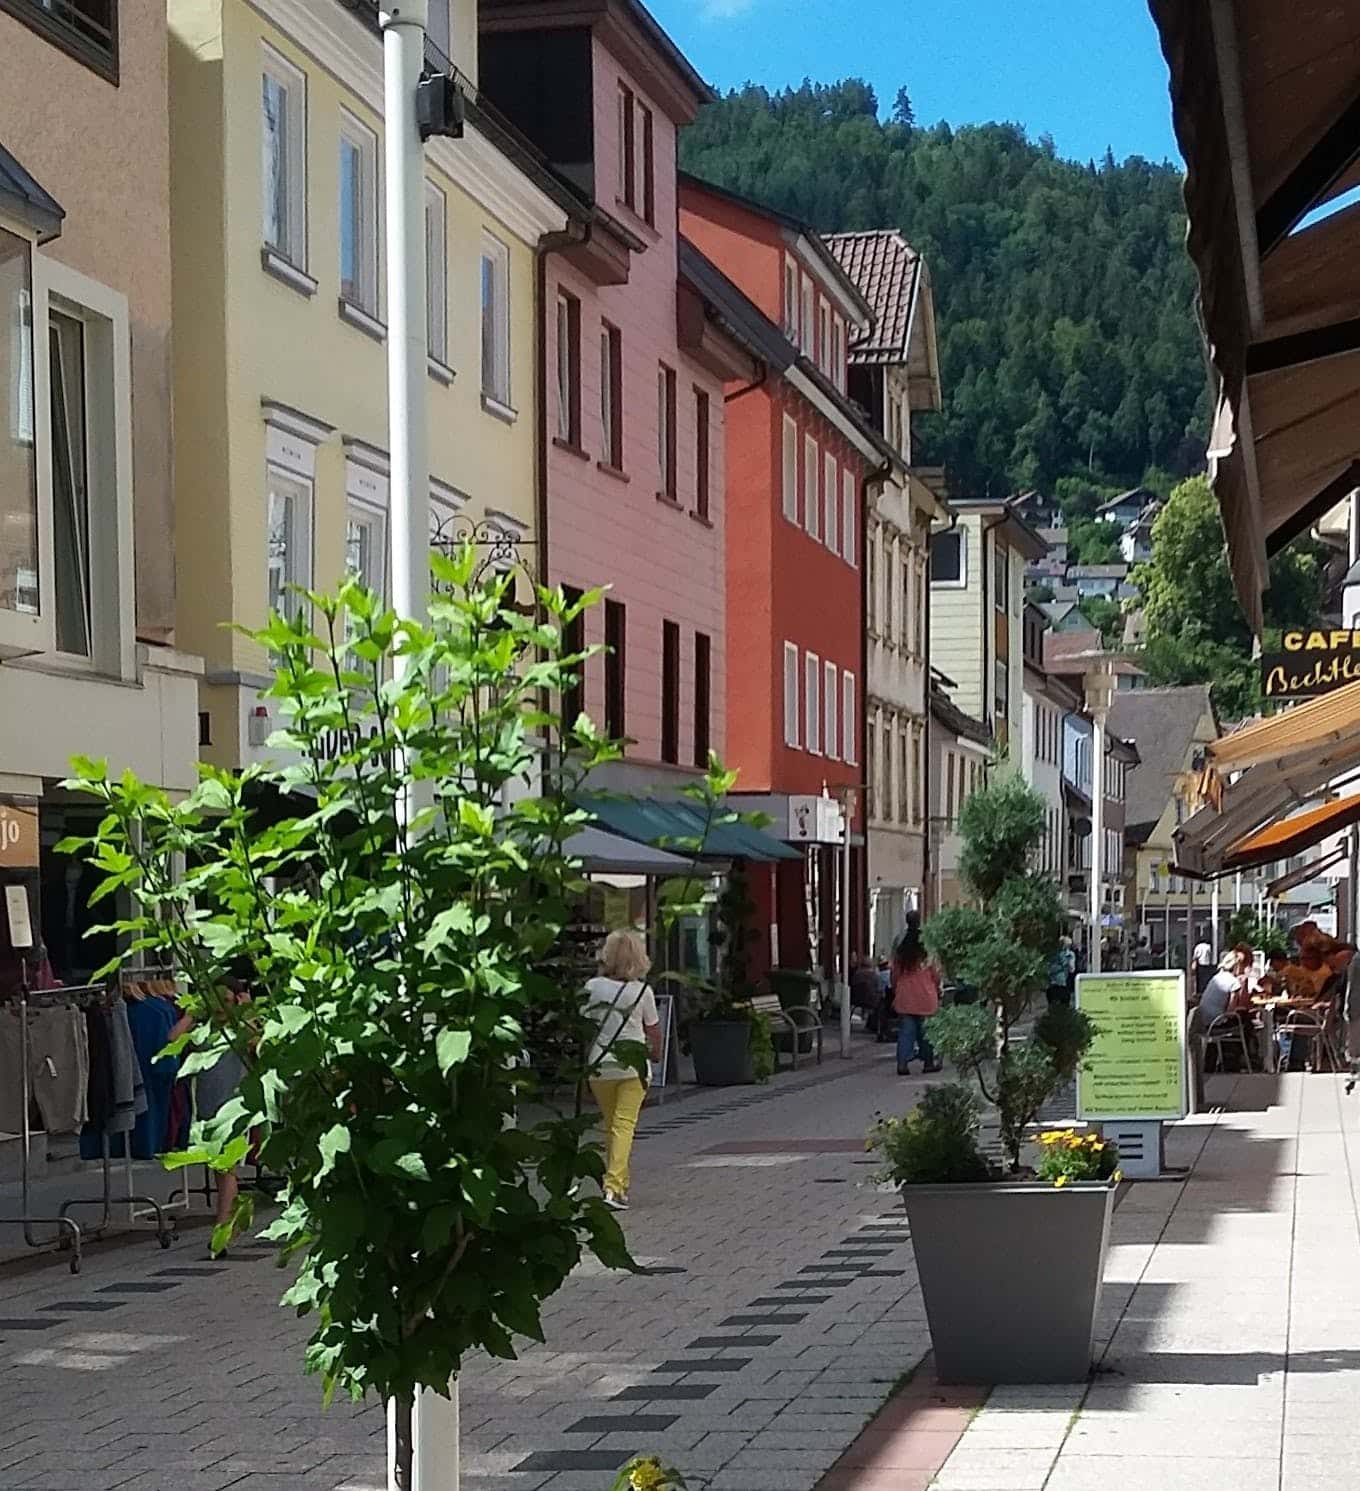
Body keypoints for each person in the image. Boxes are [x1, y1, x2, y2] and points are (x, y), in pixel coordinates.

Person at [168, 977, 251, 1253]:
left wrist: (246, 1012)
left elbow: (262, 1042)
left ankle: (221, 1231)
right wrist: (193, 1013)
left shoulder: (240, 1031)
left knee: (225, 1169)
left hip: (235, 1111)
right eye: (216, 1001)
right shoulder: (203, 1032)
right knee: (220, 1170)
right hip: (206, 1112)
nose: (220, 1008)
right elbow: (172, 1039)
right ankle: (230, 1221)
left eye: (226, 1002)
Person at [584, 929, 661, 1212]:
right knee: (623, 1126)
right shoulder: (643, 991)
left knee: (612, 1126)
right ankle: (613, 1188)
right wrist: (656, 1055)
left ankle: (620, 1185)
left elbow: (584, 1029)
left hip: (600, 1065)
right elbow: (652, 1032)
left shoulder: (592, 987)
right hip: (633, 1067)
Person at [891, 912, 941, 1076]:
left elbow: (895, 973)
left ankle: (902, 1063)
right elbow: (935, 973)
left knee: (906, 1032)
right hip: (926, 995)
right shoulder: (928, 944)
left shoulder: (901, 944)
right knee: (926, 1033)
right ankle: (928, 1062)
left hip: (905, 995)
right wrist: (937, 986)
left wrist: (895, 988)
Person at [849, 952, 883, 1031]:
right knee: (882, 1003)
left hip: (857, 1000)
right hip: (871, 1000)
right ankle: (876, 1025)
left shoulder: (856, 975)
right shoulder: (874, 975)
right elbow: (878, 987)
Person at [1046, 936, 1076, 1007]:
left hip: (1054, 985)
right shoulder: (1070, 955)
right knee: (1064, 1006)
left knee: (1053, 1006)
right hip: (1062, 985)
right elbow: (1072, 969)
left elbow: (1048, 970)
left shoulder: (1052, 955)